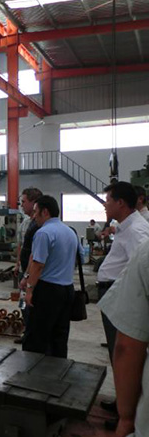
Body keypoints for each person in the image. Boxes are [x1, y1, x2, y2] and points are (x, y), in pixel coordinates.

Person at [96, 182, 149, 428]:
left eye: (108, 200)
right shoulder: (126, 226)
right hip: (114, 292)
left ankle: (127, 415)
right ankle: (123, 402)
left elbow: (140, 269)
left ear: (120, 203)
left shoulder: (137, 231)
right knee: (115, 353)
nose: (105, 205)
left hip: (124, 297)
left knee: (126, 354)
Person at [22, 195, 79, 358]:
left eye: (36, 212)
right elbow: (78, 258)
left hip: (47, 291)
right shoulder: (70, 232)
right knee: (59, 337)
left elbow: (38, 264)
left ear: (45, 212)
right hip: (67, 290)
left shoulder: (43, 233)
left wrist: (29, 290)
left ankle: (33, 370)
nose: (33, 216)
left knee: (36, 337)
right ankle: (59, 369)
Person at [14, 187, 43, 344]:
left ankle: (34, 335)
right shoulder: (25, 223)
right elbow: (21, 246)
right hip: (23, 271)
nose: (21, 205)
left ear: (34, 203)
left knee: (34, 305)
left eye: (24, 201)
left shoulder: (41, 226)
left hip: (34, 274)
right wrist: (17, 264)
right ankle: (27, 331)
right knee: (23, 303)